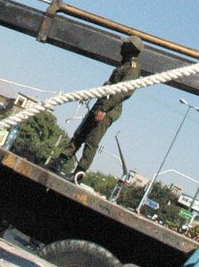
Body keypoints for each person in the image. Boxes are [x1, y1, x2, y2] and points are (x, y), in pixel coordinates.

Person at [51, 36, 144, 178]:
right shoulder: (124, 65)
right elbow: (109, 85)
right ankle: (59, 162)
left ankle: (78, 174)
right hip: (101, 104)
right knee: (80, 134)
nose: (121, 45)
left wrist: (104, 109)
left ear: (131, 48)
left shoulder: (132, 69)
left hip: (108, 109)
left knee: (92, 141)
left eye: (125, 44)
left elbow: (122, 92)